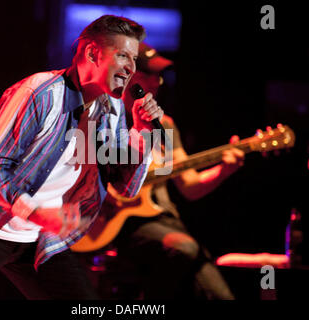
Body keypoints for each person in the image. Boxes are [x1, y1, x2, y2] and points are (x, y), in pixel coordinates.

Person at [0, 15, 164, 300]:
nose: (131, 68)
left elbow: (127, 187)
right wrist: (36, 212)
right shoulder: (39, 93)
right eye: (122, 55)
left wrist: (144, 135)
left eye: (133, 59)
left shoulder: (113, 110)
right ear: (92, 53)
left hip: (42, 240)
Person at [98, 43, 245, 300]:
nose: (157, 82)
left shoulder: (164, 125)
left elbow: (190, 185)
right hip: (117, 223)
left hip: (164, 221)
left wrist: (224, 169)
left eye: (159, 76)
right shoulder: (103, 118)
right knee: (183, 248)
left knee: (219, 294)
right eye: (148, 74)